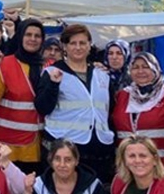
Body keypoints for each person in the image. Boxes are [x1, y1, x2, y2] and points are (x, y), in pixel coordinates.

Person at [35, 24, 116, 183]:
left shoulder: (102, 75)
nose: (78, 47)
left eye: (82, 43)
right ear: (65, 46)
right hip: (67, 148)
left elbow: (110, 109)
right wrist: (53, 85)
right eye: (73, 43)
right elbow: (42, 107)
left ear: (89, 45)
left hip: (99, 150)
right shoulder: (52, 72)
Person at [111, 52, 164, 176]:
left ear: (155, 68)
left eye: (145, 66)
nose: (140, 71)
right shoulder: (120, 96)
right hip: (129, 174)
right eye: (135, 67)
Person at [0, 19, 47, 175]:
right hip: (8, 146)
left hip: (37, 147)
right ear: (20, 37)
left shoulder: (47, 66)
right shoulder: (4, 64)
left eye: (37, 36)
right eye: (28, 34)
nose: (33, 39)